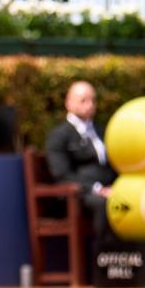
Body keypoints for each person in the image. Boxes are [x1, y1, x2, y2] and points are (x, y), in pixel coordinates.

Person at [45, 81, 115, 241]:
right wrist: (97, 189)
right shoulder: (59, 135)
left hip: (109, 190)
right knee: (104, 204)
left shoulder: (102, 131)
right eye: (83, 100)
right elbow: (62, 175)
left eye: (93, 100)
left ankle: (135, 255)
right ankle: (103, 255)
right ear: (68, 103)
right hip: (78, 196)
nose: (90, 105)